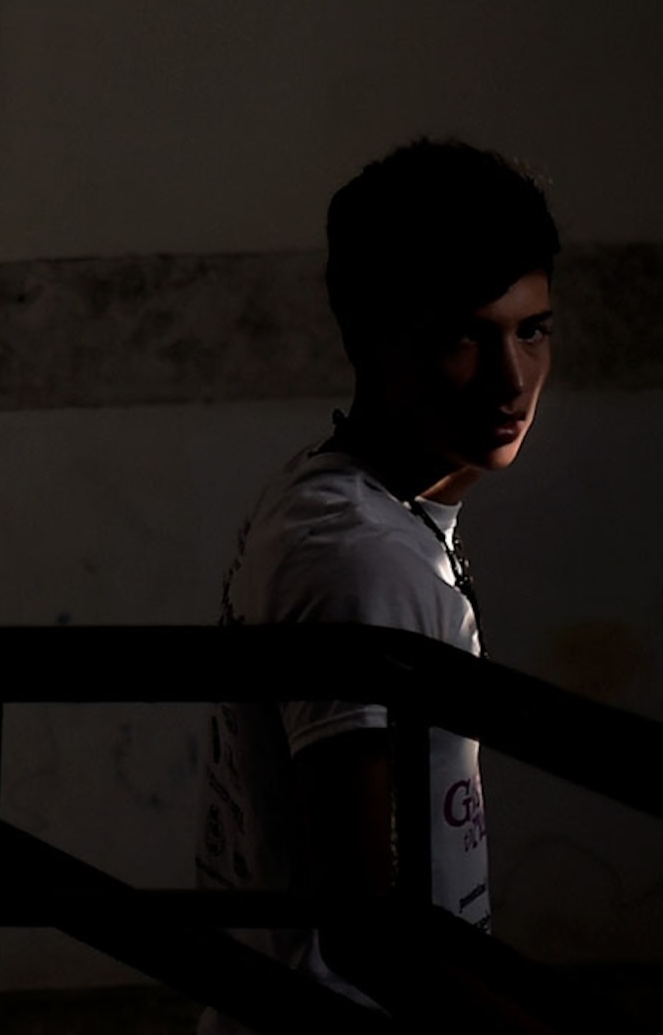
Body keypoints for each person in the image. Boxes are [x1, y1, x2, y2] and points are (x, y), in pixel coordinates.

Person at [194, 138, 558, 1030]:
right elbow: (365, 933)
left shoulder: (363, 506)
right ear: (370, 335)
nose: (513, 379)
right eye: (464, 337)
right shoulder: (363, 558)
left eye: (532, 329)